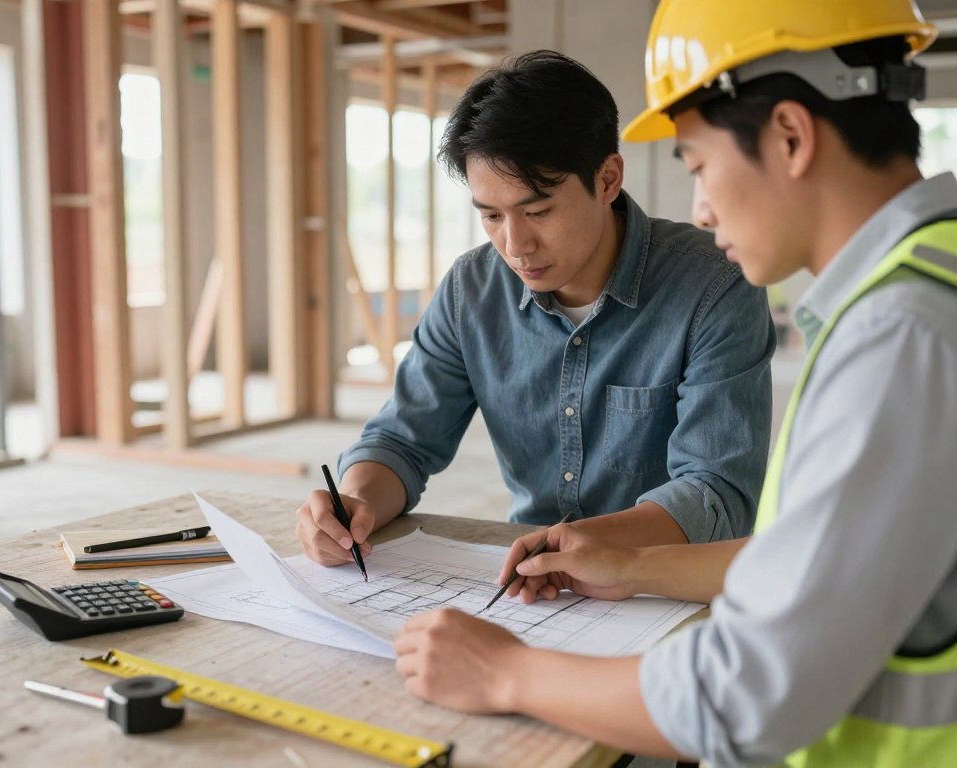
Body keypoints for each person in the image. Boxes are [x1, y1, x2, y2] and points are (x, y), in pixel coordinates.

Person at [394, 2, 957, 766]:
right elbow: (816, 560)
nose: (696, 204)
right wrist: (632, 564)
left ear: (790, 135)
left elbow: (744, 696)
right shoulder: (920, 288)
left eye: (695, 163)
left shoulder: (900, 335)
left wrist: (504, 671)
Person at [296, 50, 774, 568]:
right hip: (532, 580)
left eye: (538, 211)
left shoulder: (714, 286)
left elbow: (716, 492)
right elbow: (402, 440)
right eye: (491, 216)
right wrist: (356, 501)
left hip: (668, 581)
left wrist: (584, 549)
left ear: (608, 179)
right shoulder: (470, 289)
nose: (515, 244)